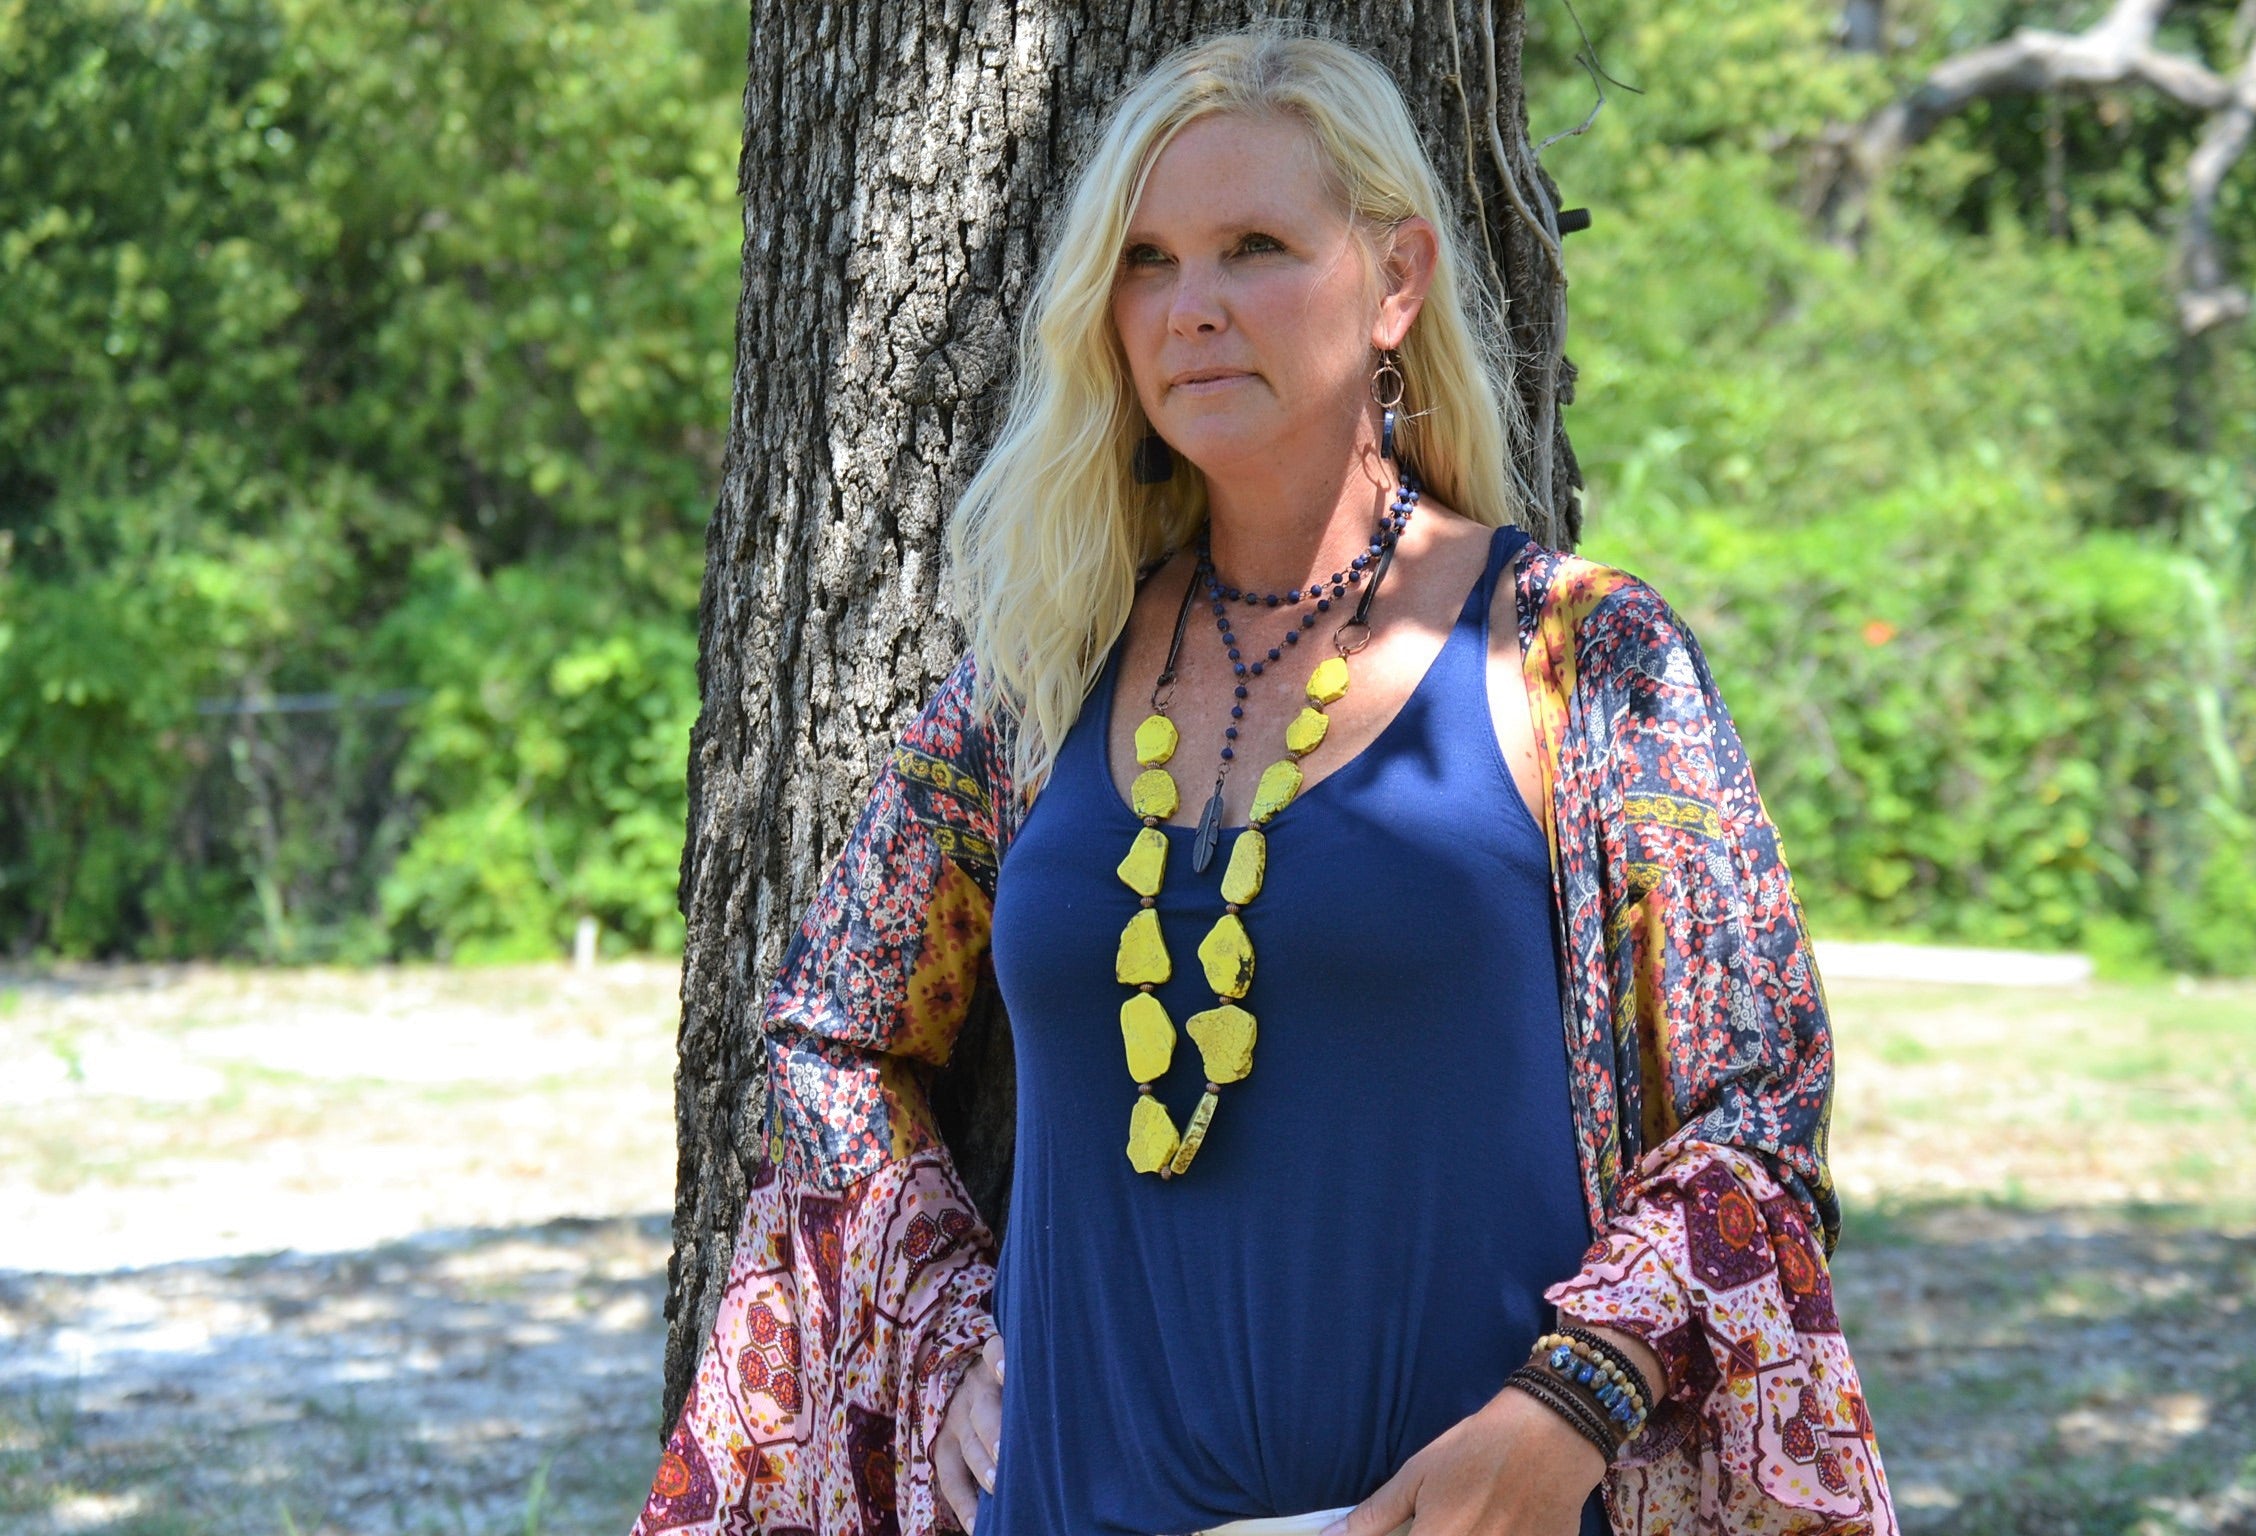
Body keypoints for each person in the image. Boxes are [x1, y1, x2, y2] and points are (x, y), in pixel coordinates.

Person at [630, 26, 1895, 1536]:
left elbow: (1757, 1096)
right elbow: (830, 1029)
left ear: (1397, 283)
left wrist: (1576, 1403)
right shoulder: (1041, 681)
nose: (1191, 309)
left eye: (1253, 248)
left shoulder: (1577, 659)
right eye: (1149, 262)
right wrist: (938, 1324)